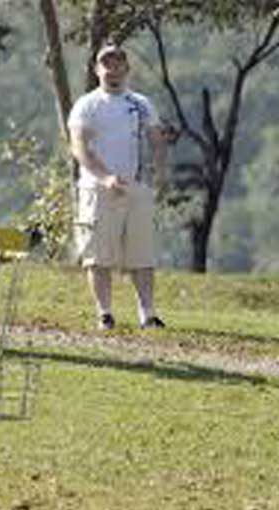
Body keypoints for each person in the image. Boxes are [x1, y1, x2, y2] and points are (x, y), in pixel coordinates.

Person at [67, 44, 169, 330]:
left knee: (142, 255)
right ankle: (105, 313)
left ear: (126, 69)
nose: (112, 70)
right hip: (98, 189)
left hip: (135, 188)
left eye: (118, 64)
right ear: (97, 69)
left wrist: (159, 173)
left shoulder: (141, 103)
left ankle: (148, 314)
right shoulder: (87, 104)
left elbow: (156, 139)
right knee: (98, 255)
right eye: (106, 64)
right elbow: (79, 146)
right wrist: (105, 177)